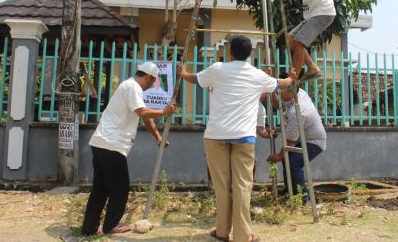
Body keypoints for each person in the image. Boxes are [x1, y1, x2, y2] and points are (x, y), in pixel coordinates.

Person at [178, 35, 296, 242]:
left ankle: (222, 232)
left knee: (222, 186)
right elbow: (280, 83)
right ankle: (243, 236)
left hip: (215, 136)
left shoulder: (217, 68)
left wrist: (183, 72)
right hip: (244, 137)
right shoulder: (257, 75)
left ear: (230, 52)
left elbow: (194, 79)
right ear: (249, 54)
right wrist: (293, 78)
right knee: (242, 187)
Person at [81, 62, 176, 236]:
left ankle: (89, 228)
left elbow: (145, 117)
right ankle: (111, 226)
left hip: (101, 143)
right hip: (112, 145)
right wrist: (164, 111)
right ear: (148, 77)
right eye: (153, 81)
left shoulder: (131, 87)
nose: (151, 85)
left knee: (100, 189)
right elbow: (142, 113)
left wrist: (157, 136)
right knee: (120, 189)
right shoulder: (132, 86)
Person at [266, 74, 326, 202]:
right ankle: (289, 190)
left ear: (290, 90)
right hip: (302, 138)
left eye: (280, 91)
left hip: (314, 141)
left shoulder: (298, 112)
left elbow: (290, 140)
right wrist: (272, 91)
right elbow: (278, 105)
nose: (279, 94)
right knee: (286, 158)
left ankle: (302, 196)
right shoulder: (297, 93)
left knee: (293, 162)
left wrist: (278, 156)